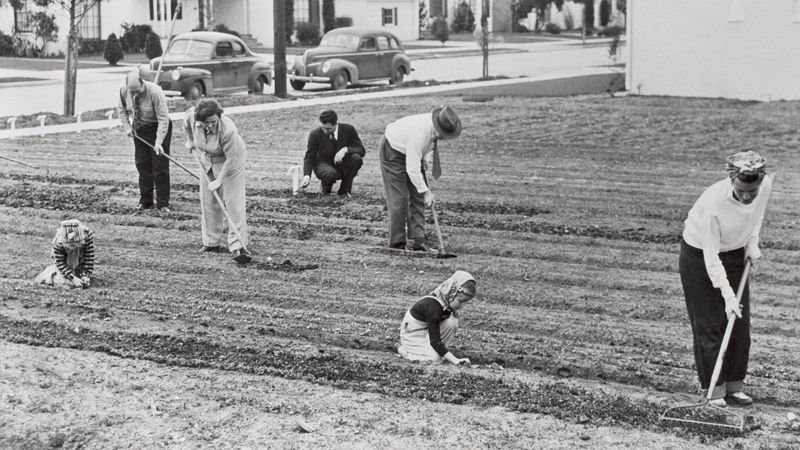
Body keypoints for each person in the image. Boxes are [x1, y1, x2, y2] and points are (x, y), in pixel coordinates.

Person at [679, 151, 773, 407]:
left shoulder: (764, 185)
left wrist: (752, 242)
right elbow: (711, 258)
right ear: (732, 181)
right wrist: (728, 296)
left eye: (750, 192)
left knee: (740, 328)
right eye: (741, 191)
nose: (746, 196)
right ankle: (714, 391)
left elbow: (758, 213)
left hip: (735, 252)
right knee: (710, 325)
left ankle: (734, 386)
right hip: (700, 257)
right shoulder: (714, 204)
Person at [380, 106, 461, 251]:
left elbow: (428, 144)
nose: (443, 137)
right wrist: (426, 192)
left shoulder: (434, 129)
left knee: (418, 197)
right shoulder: (419, 134)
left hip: (411, 151)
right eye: (442, 134)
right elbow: (412, 168)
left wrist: (425, 157)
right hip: (392, 150)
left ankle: (419, 240)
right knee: (400, 198)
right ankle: (397, 243)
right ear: (436, 126)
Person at [183, 99, 251, 264]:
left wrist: (219, 180)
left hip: (231, 161)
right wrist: (191, 140)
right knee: (208, 201)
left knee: (233, 203)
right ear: (200, 121)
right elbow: (185, 124)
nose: (211, 125)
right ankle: (211, 242)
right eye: (207, 123)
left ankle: (237, 245)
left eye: (214, 121)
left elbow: (231, 159)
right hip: (207, 158)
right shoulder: (191, 117)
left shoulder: (228, 130)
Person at [117, 67, 173, 212]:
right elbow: (121, 110)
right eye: (132, 91)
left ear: (142, 83)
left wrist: (159, 142)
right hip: (140, 129)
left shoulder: (155, 92)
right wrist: (128, 127)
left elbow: (163, 119)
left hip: (158, 127)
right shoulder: (124, 91)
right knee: (143, 165)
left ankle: (163, 204)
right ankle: (146, 202)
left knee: (160, 166)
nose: (135, 93)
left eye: (137, 90)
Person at [397, 270, 476, 365]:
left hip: (425, 330)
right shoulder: (433, 308)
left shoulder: (444, 302)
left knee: (451, 323)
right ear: (452, 293)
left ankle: (438, 352)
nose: (461, 306)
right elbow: (435, 341)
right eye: (461, 301)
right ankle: (404, 350)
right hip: (413, 334)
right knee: (434, 359)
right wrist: (455, 360)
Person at [300, 109, 365, 196]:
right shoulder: (315, 134)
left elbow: (361, 150)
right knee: (330, 174)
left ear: (335, 124)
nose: (324, 131)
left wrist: (345, 150)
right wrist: (307, 176)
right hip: (323, 164)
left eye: (328, 128)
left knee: (356, 159)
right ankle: (326, 190)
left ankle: (344, 191)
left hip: (342, 164)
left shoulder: (348, 129)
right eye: (323, 127)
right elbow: (309, 156)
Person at [34, 219, 95, 289]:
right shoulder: (58, 243)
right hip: (64, 257)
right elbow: (60, 262)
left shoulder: (87, 235)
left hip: (79, 256)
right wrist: (72, 278)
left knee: (81, 277)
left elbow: (89, 256)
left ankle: (77, 272)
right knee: (62, 280)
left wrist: (85, 275)